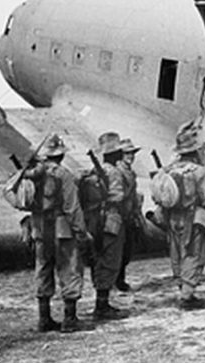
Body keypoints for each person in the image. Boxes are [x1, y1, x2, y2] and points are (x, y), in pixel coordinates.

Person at [23, 134, 93, 333]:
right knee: (69, 270)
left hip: (39, 229)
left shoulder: (32, 173)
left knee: (43, 269)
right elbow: (72, 207)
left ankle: (44, 319)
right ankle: (70, 319)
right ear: (61, 155)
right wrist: (81, 232)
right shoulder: (63, 174)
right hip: (62, 230)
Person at [159, 124, 205, 310]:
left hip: (172, 218)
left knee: (176, 253)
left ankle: (182, 287)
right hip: (193, 217)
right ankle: (187, 297)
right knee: (193, 254)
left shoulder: (168, 170)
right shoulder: (199, 171)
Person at [89, 132, 130, 320]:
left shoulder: (95, 170)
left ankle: (102, 302)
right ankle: (102, 305)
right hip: (112, 219)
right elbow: (119, 197)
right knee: (110, 258)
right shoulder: (114, 172)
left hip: (96, 219)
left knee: (99, 258)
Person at [115, 138, 142, 292]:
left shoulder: (130, 172)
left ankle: (120, 279)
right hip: (120, 215)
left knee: (126, 251)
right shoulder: (119, 171)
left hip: (129, 214)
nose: (130, 156)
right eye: (127, 153)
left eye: (132, 153)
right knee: (118, 251)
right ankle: (117, 281)